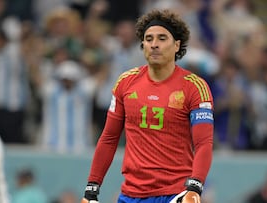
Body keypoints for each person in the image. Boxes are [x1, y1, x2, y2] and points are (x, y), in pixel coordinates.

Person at [81, 9, 214, 203]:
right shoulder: (125, 83)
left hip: (175, 194)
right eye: (149, 38)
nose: (154, 44)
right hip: (131, 195)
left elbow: (204, 144)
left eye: (162, 38)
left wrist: (195, 187)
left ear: (177, 45)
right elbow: (109, 138)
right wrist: (91, 189)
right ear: (142, 44)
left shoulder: (195, 87)